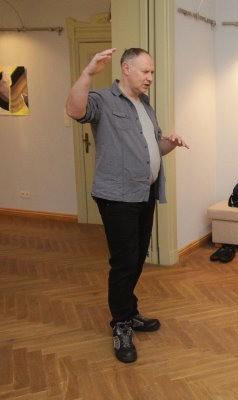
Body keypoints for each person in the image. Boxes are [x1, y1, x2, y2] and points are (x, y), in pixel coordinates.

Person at [66, 48, 188, 363]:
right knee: (124, 262)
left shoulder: (145, 106)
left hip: (144, 192)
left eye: (152, 72)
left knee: (136, 258)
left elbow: (152, 148)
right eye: (145, 71)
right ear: (126, 69)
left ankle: (129, 312)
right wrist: (88, 72)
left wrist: (169, 143)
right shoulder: (103, 100)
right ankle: (121, 325)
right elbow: (75, 110)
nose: (150, 78)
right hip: (117, 196)